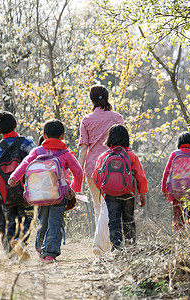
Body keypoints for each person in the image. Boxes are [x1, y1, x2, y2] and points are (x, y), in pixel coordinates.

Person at [8, 119, 83, 263]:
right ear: (62, 136)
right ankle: (49, 253)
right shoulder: (66, 154)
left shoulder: (37, 151)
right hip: (58, 195)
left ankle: (41, 250)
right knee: (55, 223)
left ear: (44, 135)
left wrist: (14, 177)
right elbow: (78, 173)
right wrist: (73, 190)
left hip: (39, 194)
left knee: (42, 222)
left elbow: (24, 165)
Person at [78, 84, 124, 256]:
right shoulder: (117, 117)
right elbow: (123, 143)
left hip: (92, 167)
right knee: (108, 205)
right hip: (114, 166)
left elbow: (83, 150)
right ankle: (100, 242)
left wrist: (78, 174)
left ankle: (101, 245)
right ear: (107, 97)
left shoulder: (86, 120)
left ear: (91, 99)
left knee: (99, 206)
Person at [0, 111, 36, 262]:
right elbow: (37, 161)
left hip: (6, 194)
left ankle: (12, 257)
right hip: (25, 191)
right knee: (27, 219)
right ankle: (21, 243)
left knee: (10, 222)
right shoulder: (26, 142)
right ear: (16, 125)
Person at [93, 125, 148, 250]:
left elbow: (96, 175)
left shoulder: (104, 156)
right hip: (129, 193)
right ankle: (131, 246)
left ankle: (117, 247)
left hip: (110, 195)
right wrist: (142, 193)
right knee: (128, 219)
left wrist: (104, 190)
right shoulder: (131, 155)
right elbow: (140, 175)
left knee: (113, 220)